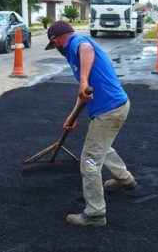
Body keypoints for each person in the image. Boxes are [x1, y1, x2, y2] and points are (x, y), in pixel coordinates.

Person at [45, 21, 137, 227]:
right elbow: (83, 94)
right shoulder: (73, 53)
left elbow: (86, 52)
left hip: (110, 110)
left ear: (58, 39)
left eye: (55, 45)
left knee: (89, 160)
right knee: (101, 147)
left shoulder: (79, 43)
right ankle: (125, 179)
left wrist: (84, 80)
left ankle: (95, 213)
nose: (57, 49)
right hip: (116, 106)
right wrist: (72, 117)